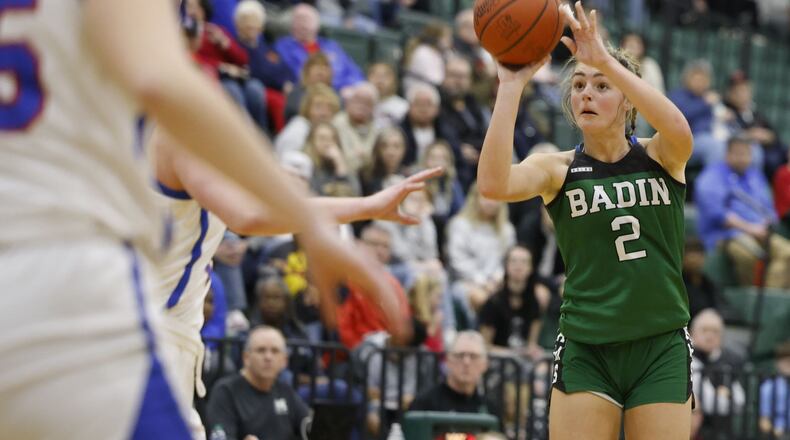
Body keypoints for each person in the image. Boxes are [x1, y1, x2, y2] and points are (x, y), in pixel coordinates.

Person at [0, 0, 406, 438]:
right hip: (121, 326)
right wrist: (334, 217)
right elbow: (247, 212)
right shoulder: (167, 129)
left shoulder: (81, 101)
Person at [477, 3, 696, 439]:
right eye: (578, 85)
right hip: (587, 346)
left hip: (660, 344)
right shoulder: (557, 169)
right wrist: (510, 85)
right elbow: (493, 184)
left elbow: (678, 128)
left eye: (601, 86)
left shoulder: (660, 156)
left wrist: (606, 61)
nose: (586, 94)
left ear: (627, 100)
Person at [152, 119, 442, 435]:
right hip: (150, 338)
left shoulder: (146, 140)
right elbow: (249, 216)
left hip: (155, 333)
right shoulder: (177, 137)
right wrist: (365, 207)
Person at [694, 133, 790, 288]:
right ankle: (754, 295)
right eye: (738, 154)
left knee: (787, 253)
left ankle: (767, 296)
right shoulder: (712, 176)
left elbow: (768, 209)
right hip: (727, 235)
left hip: (760, 232)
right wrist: (750, 228)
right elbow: (717, 214)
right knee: (751, 255)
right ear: (727, 154)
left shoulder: (755, 176)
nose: (743, 158)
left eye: (746, 154)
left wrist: (766, 223)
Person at [206, 326, 310, 440]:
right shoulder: (226, 391)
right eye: (261, 350)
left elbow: (309, 427)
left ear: (284, 361)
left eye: (275, 351)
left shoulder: (285, 391)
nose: (268, 357)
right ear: (246, 357)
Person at [408, 331, 502, 421]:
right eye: (460, 355)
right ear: (448, 360)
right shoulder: (424, 404)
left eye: (473, 356)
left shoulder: (490, 410)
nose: (466, 362)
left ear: (485, 364)